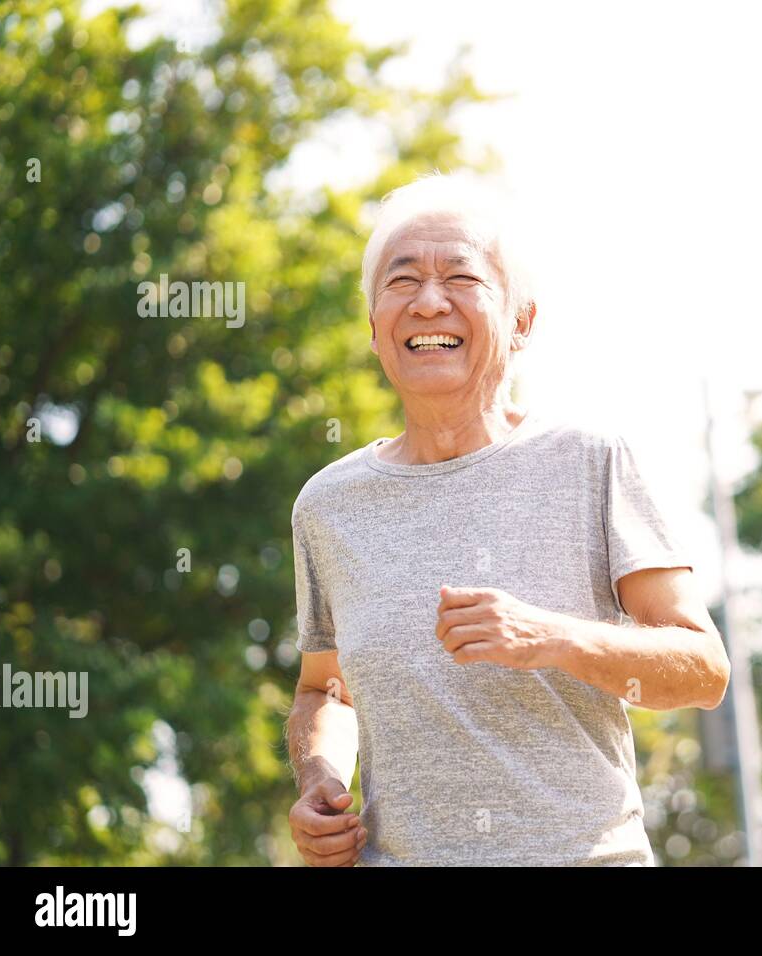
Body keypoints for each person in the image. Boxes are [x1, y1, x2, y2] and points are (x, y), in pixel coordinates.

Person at [285, 173, 730, 866]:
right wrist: (319, 776)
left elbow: (702, 671)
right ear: (375, 328)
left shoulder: (589, 459)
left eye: (460, 278)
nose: (429, 302)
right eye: (401, 282)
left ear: (521, 321)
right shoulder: (327, 506)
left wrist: (552, 637)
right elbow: (324, 689)